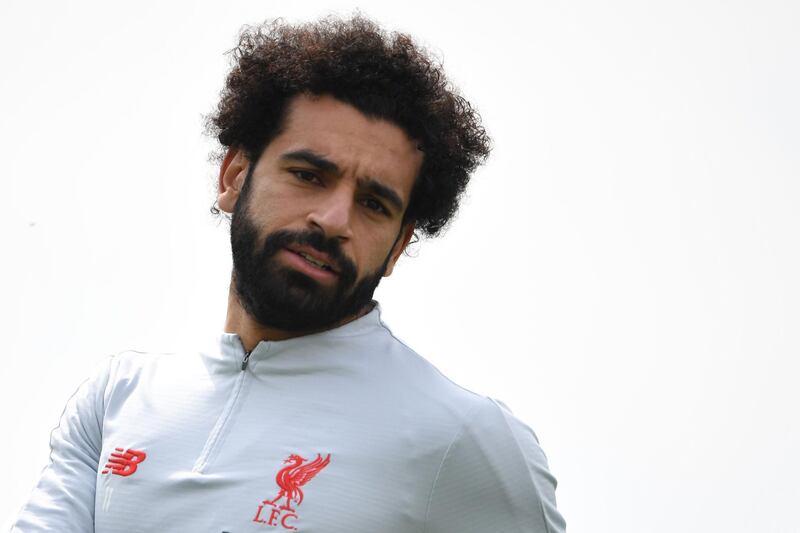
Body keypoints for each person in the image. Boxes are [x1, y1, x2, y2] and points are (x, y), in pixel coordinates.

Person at [11, 15, 566, 533]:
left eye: (374, 204)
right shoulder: (119, 400)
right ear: (234, 175)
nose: (332, 220)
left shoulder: (463, 438)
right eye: (308, 175)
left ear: (399, 244)